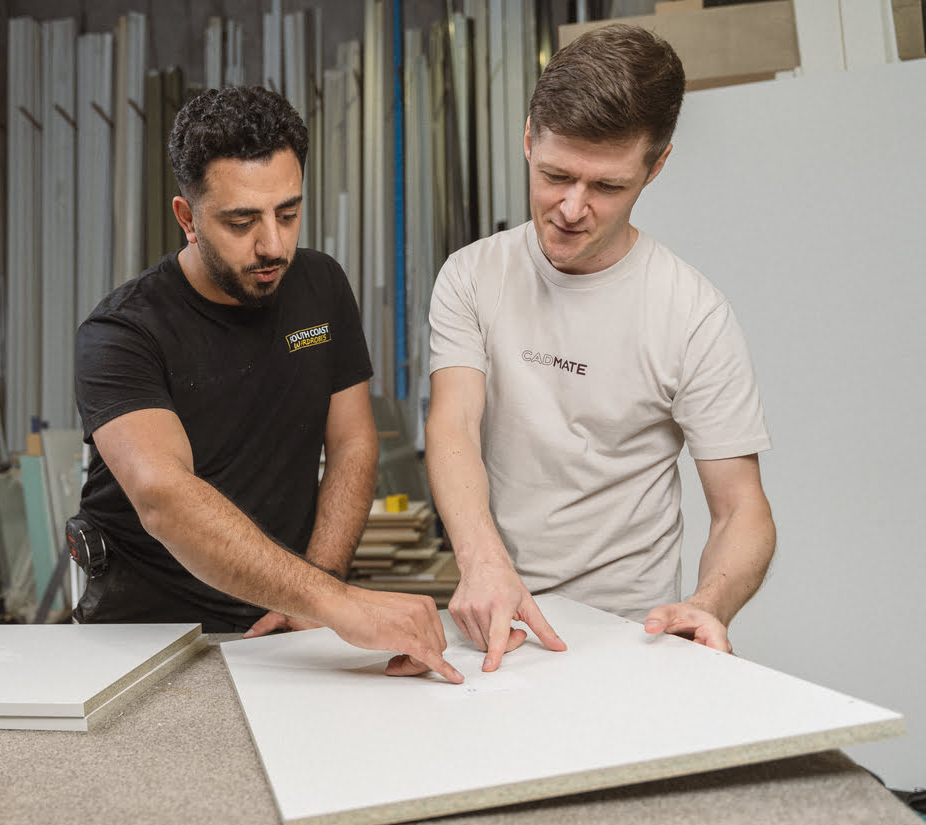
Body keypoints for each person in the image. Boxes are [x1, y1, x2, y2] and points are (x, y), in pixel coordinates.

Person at [73, 86, 462, 683]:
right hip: (147, 636)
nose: (273, 245)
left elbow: (354, 443)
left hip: (283, 623)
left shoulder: (321, 286)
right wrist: (335, 603)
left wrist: (316, 585)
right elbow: (164, 497)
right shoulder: (122, 332)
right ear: (187, 217)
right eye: (240, 221)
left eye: (288, 212)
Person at [425, 24, 776, 672]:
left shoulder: (692, 314)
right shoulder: (472, 277)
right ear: (529, 138)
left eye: (607, 187)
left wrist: (711, 602)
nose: (571, 207)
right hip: (500, 619)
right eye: (555, 174)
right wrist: (481, 559)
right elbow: (453, 424)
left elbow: (741, 508)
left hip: (633, 638)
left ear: (657, 165)